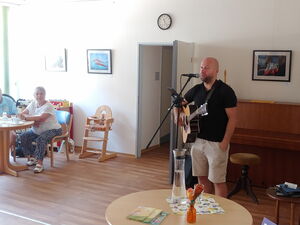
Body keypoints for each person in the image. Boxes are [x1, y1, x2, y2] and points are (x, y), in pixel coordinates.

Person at [181, 57, 237, 198]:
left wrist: (225, 142)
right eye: (201, 67)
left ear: (216, 70)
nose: (203, 70)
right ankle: (204, 207)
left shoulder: (226, 91)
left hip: (217, 143)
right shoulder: (196, 89)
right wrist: (179, 117)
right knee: (202, 179)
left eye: (206, 68)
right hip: (197, 141)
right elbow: (180, 104)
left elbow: (233, 118)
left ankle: (219, 213)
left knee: (218, 181)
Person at [19, 86, 62, 173]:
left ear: (45, 95)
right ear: (34, 95)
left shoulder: (48, 106)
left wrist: (29, 118)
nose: (39, 96)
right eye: (37, 94)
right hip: (36, 130)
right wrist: (34, 121)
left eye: (41, 94)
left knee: (41, 139)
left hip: (53, 129)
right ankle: (33, 157)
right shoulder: (33, 103)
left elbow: (41, 118)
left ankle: (40, 164)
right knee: (23, 136)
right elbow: (22, 114)